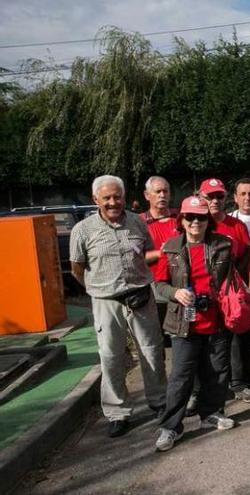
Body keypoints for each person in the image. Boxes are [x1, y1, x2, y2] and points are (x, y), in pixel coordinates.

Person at [70, 175, 166, 438]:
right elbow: (77, 268)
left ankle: (160, 403)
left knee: (152, 351)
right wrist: (98, 288)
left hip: (141, 297)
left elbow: (146, 254)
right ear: (96, 200)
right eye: (107, 198)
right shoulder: (83, 230)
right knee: (111, 357)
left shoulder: (137, 223)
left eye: (118, 196)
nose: (113, 202)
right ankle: (117, 413)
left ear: (124, 197)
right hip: (106, 301)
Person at [153, 197, 237, 451]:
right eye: (190, 217)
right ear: (182, 220)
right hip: (183, 323)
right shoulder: (170, 248)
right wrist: (176, 293)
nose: (195, 222)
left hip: (216, 319)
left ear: (208, 221)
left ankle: (211, 413)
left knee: (218, 371)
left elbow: (232, 279)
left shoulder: (223, 245)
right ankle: (170, 427)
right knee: (181, 377)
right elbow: (159, 284)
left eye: (201, 217)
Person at [199, 178, 250, 405]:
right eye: (209, 196)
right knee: (209, 343)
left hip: (232, 294)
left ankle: (240, 383)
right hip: (205, 293)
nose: (214, 201)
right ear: (201, 198)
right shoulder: (196, 223)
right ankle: (210, 387)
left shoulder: (236, 226)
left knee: (237, 339)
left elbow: (247, 258)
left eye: (218, 196)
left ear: (225, 198)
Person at [141, 176, 179, 323]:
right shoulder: (139, 222)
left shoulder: (181, 218)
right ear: (146, 195)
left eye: (165, 191)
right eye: (157, 191)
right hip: (153, 288)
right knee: (157, 336)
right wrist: (160, 253)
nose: (162, 195)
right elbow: (132, 257)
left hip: (181, 284)